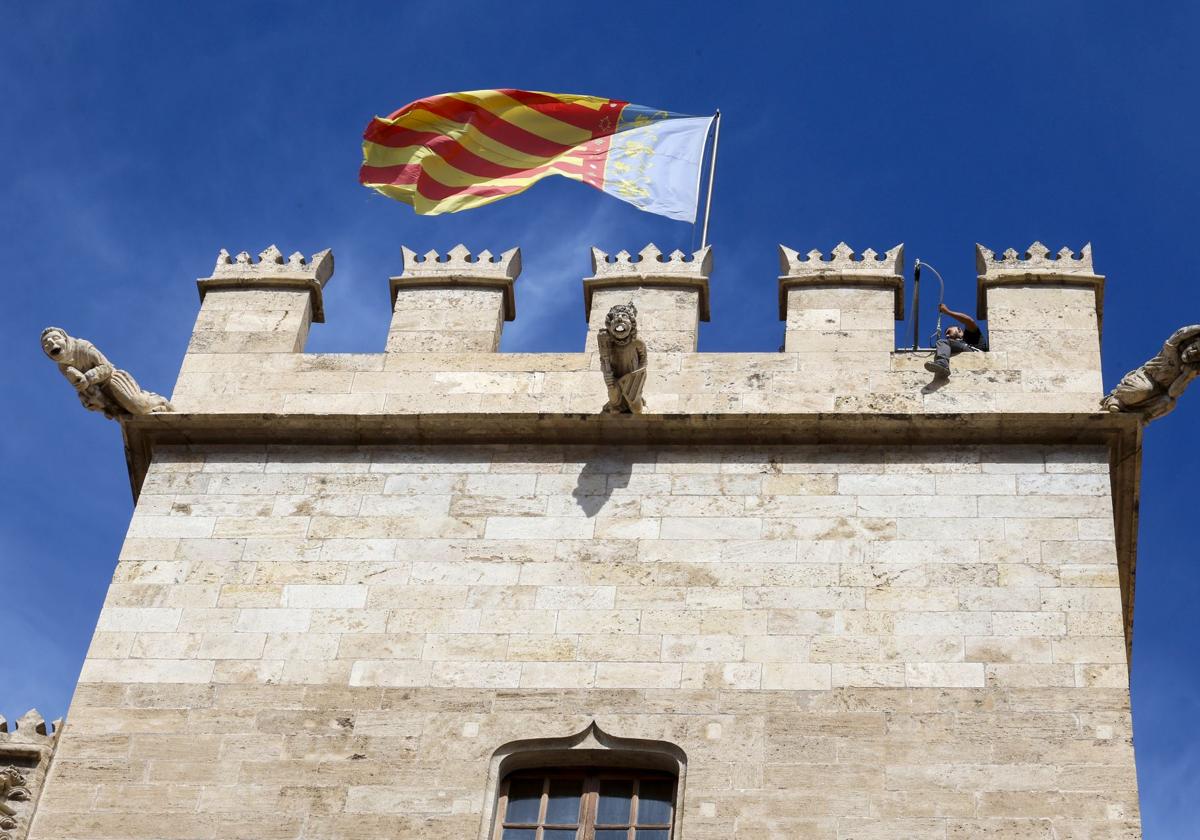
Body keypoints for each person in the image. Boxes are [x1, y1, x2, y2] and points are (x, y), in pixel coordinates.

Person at [924, 303, 987, 378]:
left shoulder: (971, 335)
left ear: (959, 330)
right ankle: (942, 365)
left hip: (975, 354)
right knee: (943, 343)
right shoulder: (952, 345)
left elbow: (969, 321)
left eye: (949, 332)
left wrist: (947, 312)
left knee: (942, 342)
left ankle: (942, 364)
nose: (947, 335)